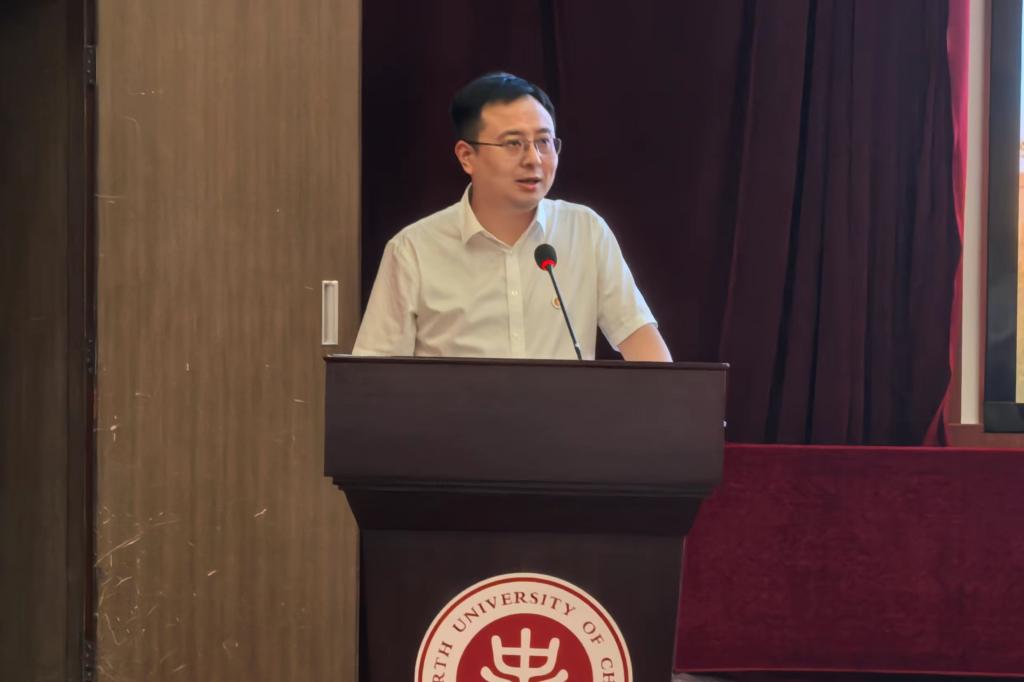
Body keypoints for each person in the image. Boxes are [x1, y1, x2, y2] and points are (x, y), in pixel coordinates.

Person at [353, 72, 672, 362]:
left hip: (565, 412)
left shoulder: (585, 231)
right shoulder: (413, 250)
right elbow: (373, 379)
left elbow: (644, 346)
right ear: (467, 156)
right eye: (513, 144)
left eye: (543, 142)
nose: (533, 159)